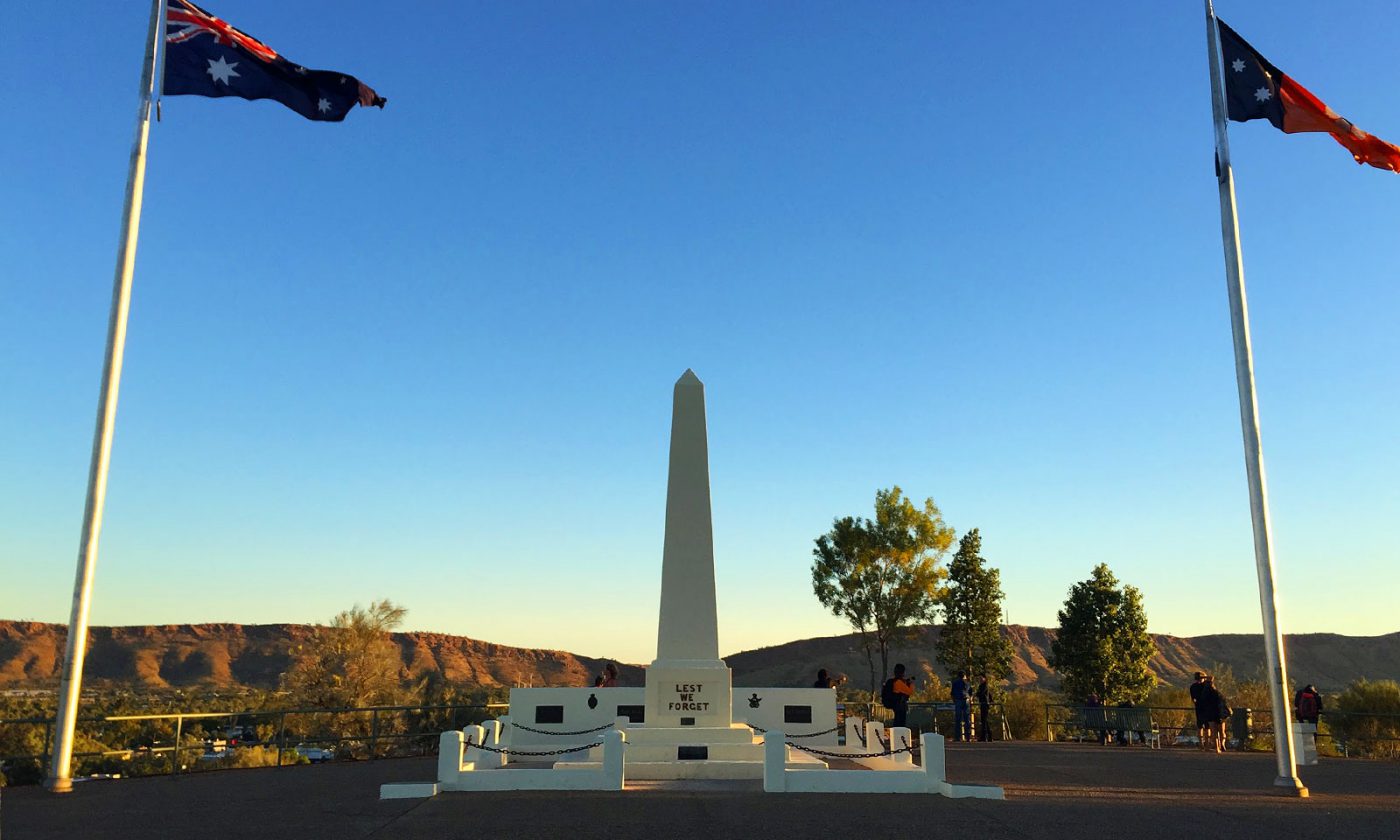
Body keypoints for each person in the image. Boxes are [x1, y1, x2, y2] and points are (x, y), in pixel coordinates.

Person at [1198, 675, 1230, 753]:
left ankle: (1217, 748)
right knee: (1222, 731)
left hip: (1210, 714)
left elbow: (1202, 703)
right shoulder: (1218, 693)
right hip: (1220, 714)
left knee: (1214, 732)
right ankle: (1222, 743)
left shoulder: (1205, 695)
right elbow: (1224, 702)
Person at [886, 664, 916, 728]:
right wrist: (911, 684)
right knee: (900, 723)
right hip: (900, 706)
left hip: (896, 705)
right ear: (902, 672)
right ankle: (899, 735)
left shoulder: (895, 682)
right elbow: (910, 692)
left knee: (897, 721)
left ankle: (897, 735)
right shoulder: (899, 683)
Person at [951, 671, 972, 742]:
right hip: (966, 701)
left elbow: (952, 692)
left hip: (958, 701)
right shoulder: (967, 683)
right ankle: (968, 737)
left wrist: (954, 700)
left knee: (958, 719)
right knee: (967, 719)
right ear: (964, 676)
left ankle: (957, 737)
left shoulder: (955, 683)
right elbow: (970, 692)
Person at [1189, 672, 1208, 750]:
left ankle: (1201, 744)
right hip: (1207, 707)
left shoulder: (1193, 687)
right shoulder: (1206, 686)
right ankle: (1207, 744)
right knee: (1207, 726)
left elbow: (1193, 699)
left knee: (1200, 726)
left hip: (1198, 707)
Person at [975, 675, 992, 742]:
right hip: (984, 704)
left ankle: (984, 737)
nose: (980, 680)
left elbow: (981, 694)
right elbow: (989, 695)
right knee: (984, 720)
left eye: (981, 678)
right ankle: (988, 736)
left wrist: (977, 694)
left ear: (984, 679)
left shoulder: (983, 686)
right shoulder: (984, 686)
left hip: (984, 704)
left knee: (984, 720)